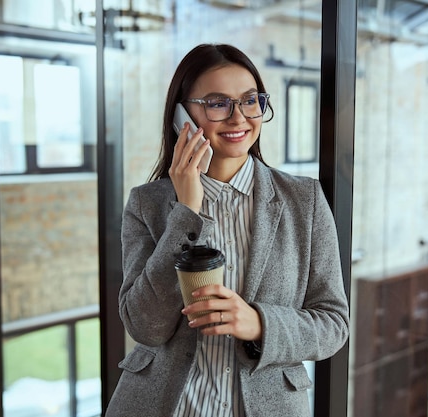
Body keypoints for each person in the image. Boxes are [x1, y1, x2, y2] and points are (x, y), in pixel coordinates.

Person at [105, 43, 349, 417]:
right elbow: (145, 326)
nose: (239, 118)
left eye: (250, 101)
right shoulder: (147, 204)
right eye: (218, 103)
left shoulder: (304, 200)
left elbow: (333, 324)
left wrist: (259, 323)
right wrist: (187, 211)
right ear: (181, 115)